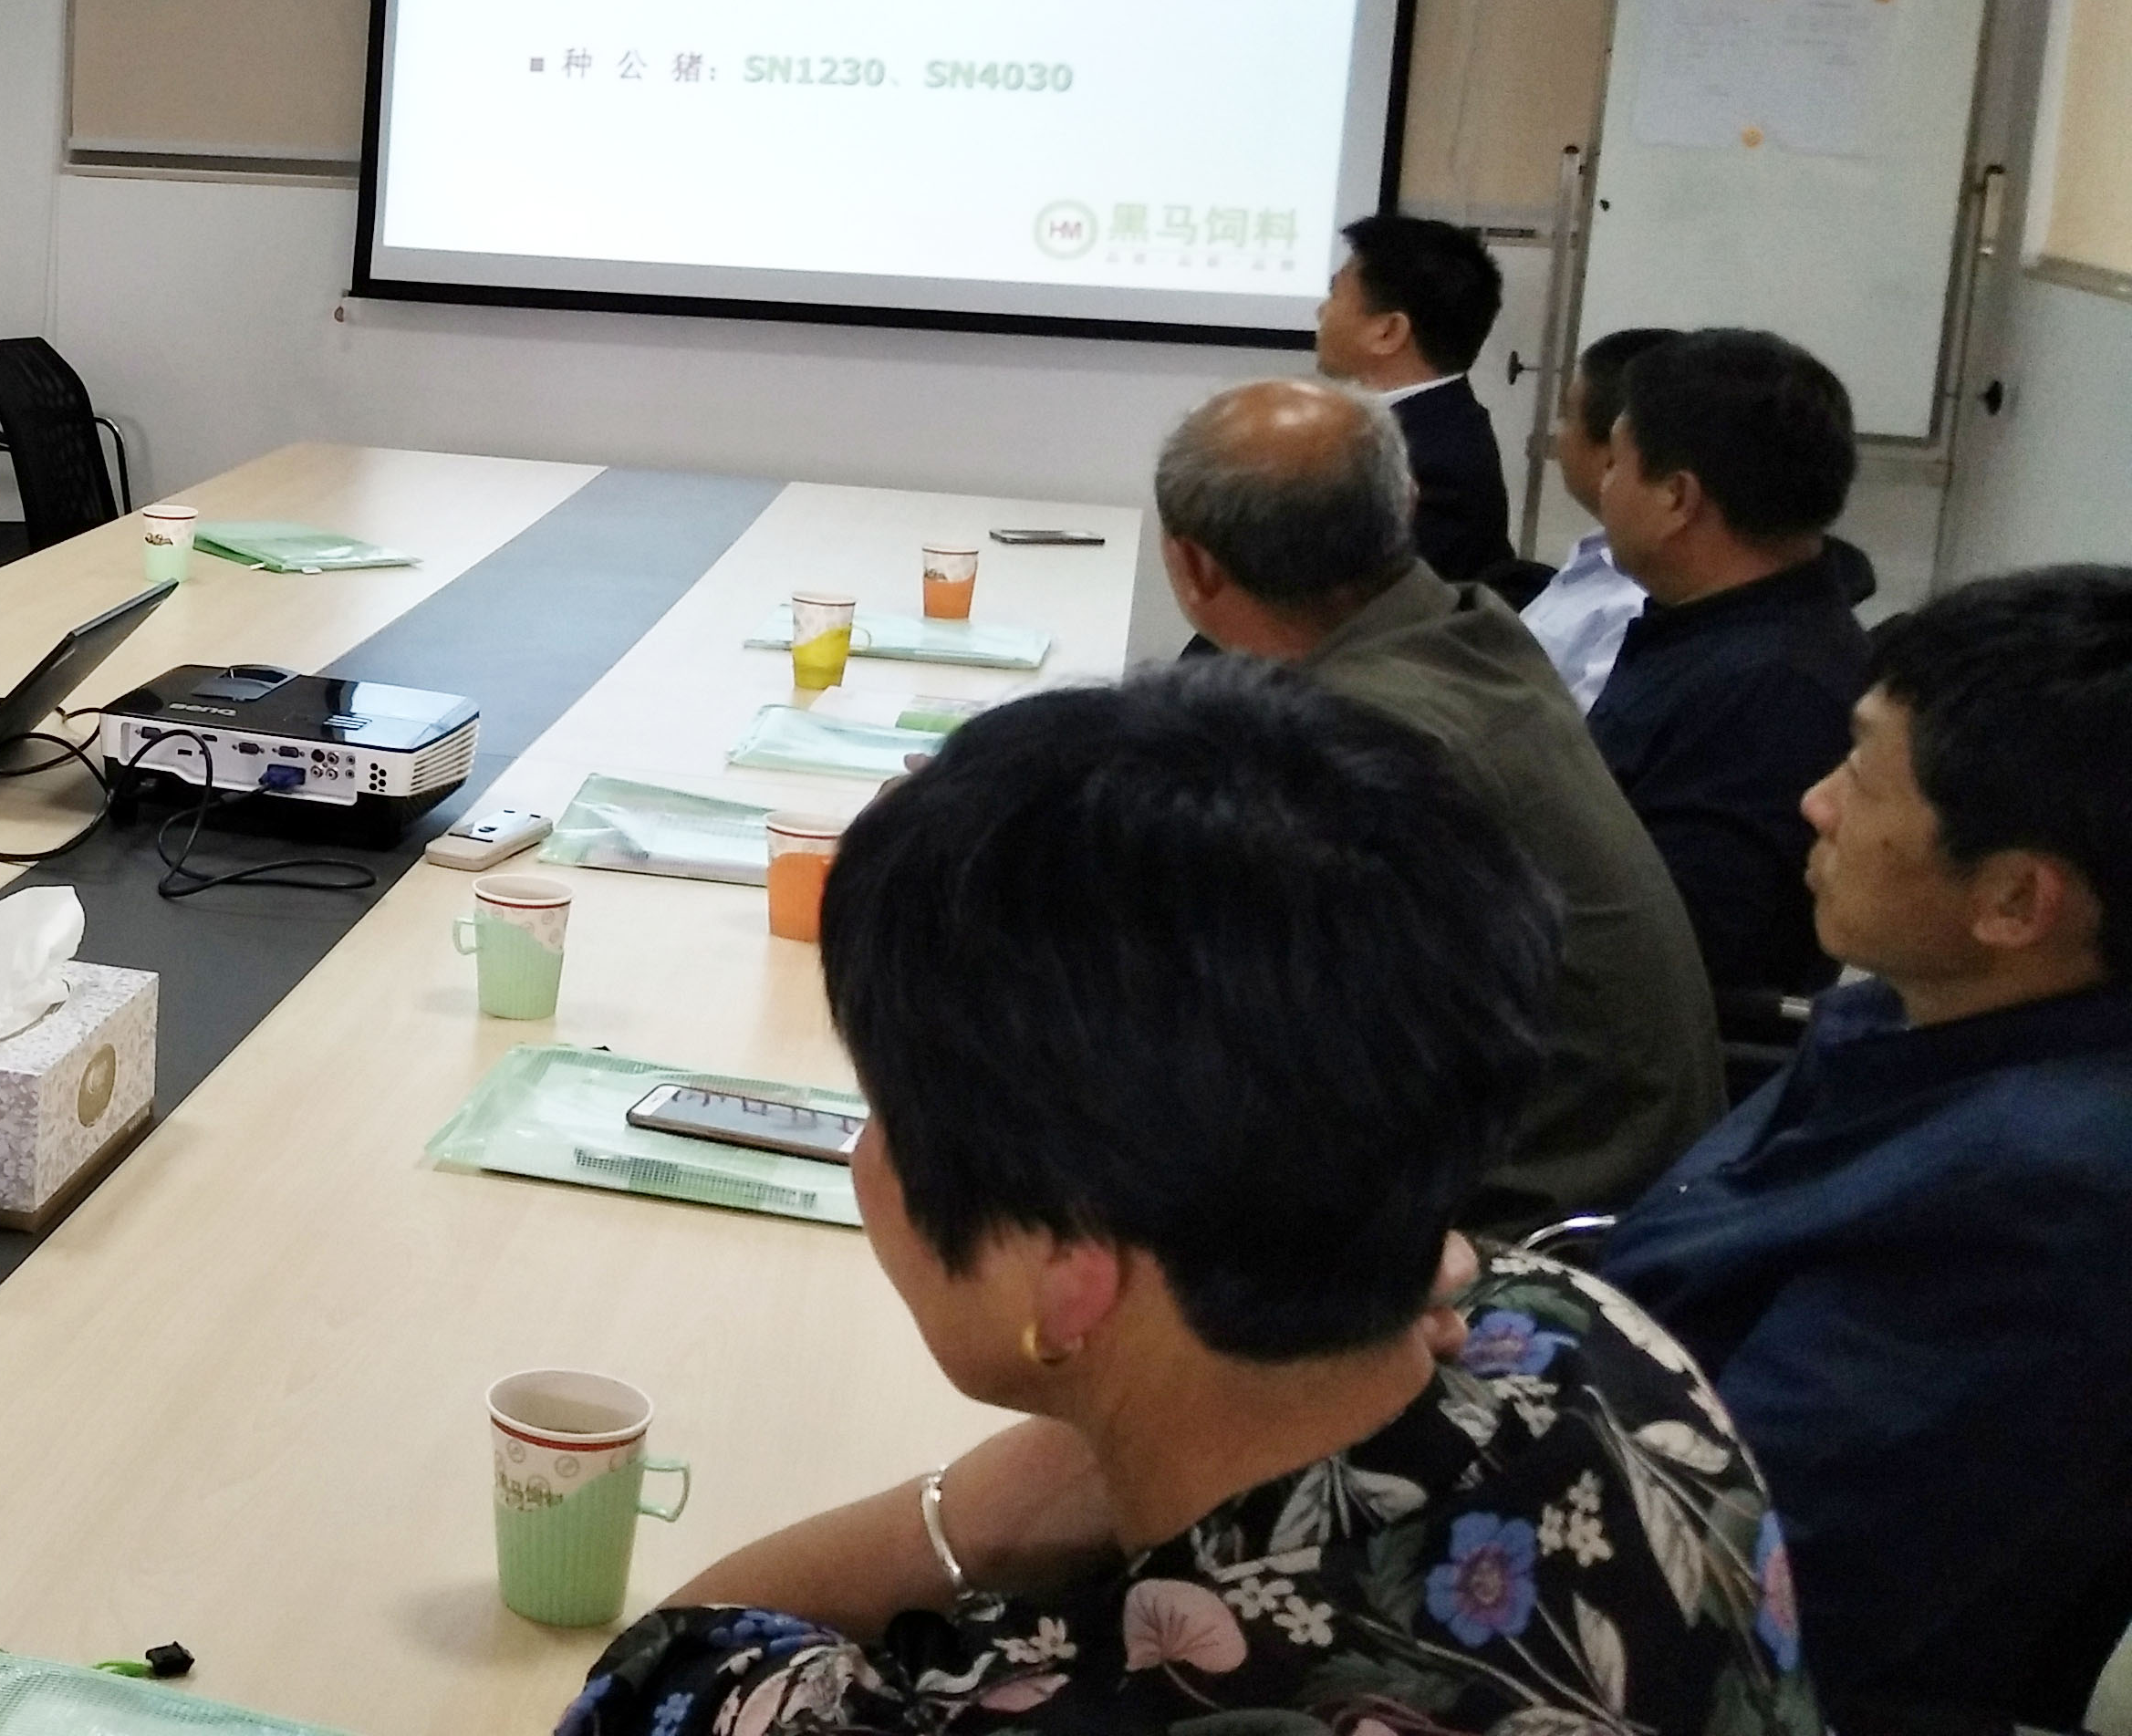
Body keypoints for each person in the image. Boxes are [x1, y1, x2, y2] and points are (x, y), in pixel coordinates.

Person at [561, 662, 1812, 1736]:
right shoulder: (1589, 1341)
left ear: (1068, 1280)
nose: (868, 1156)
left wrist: (991, 1504)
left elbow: (654, 1682)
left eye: (889, 1111)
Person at [1600, 567, 2132, 1736]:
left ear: (2015, 901)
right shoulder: (1924, 1018)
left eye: (1858, 773)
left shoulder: (2045, 1204)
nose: (1814, 803)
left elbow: (1723, 1577)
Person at [1156, 378, 1720, 1221]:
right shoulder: (1467, 630)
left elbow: (1256, 1044)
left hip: (1524, 1211)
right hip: (1613, 1160)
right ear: (1407, 506)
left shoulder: (1357, 743)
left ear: (1195, 567)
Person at [1586, 329, 1869, 1003]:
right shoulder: (1711, 628)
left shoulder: (1771, 696)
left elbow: (1672, 955)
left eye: (1616, 464)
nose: (1603, 487)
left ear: (1676, 498)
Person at [1312, 213, 1515, 584]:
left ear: (1388, 331)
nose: (1321, 311)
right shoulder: (1433, 424)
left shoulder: (1434, 468)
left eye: (1335, 294)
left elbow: (1351, 599)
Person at [1515, 325, 1677, 710]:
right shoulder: (1602, 550)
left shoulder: (1637, 599)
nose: (1557, 435)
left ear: (1614, 454)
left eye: (1567, 416)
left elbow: (1579, 736)